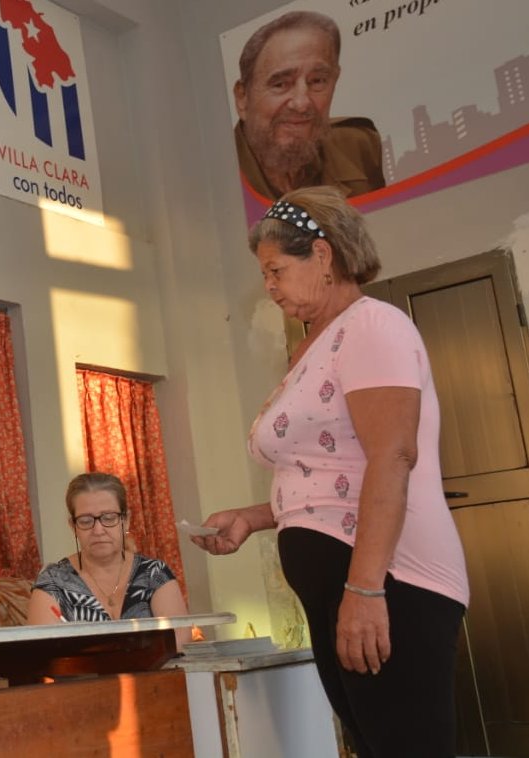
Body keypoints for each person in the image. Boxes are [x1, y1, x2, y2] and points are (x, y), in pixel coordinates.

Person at [191, 186, 469, 757]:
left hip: (392, 580)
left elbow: (392, 456)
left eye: (276, 270)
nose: (269, 287)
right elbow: (330, 473)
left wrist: (365, 589)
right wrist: (254, 516)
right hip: (349, 583)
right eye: (264, 274)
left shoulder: (373, 326)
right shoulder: (316, 344)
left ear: (322, 256)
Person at [233, 11, 385, 201]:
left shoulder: (360, 146)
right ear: (242, 97)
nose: (302, 103)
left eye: (318, 81)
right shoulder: (214, 180)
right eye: (281, 84)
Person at [27, 473, 190, 647]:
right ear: (73, 526)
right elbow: (42, 651)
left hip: (154, 674)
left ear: (125, 521)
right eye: (85, 521)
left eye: (109, 518)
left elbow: (179, 639)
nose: (98, 530)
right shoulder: (53, 581)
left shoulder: (154, 573)